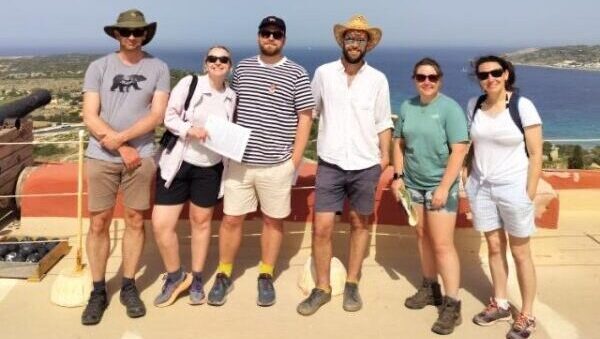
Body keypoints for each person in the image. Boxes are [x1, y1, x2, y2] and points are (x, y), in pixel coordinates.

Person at [207, 16, 314, 307]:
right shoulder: (242, 68)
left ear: (284, 39)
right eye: (266, 33)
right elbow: (231, 105)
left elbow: (305, 118)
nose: (271, 38)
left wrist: (295, 160)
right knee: (230, 219)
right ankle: (224, 273)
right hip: (241, 162)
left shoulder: (296, 73)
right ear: (258, 36)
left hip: (277, 164)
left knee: (273, 221)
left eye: (276, 34)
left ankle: (265, 275)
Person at [296, 14, 393, 316]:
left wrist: (385, 158)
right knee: (323, 227)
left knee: (359, 223)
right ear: (342, 41)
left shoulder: (378, 79)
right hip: (331, 162)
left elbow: (382, 121)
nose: (354, 43)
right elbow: (310, 111)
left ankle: (352, 282)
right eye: (350, 38)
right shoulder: (324, 73)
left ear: (368, 45)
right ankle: (322, 287)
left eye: (360, 39)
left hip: (365, 163)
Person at [81, 9, 170, 325]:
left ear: (145, 34)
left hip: (141, 157)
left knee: (134, 219)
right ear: (116, 34)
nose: (131, 37)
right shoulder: (99, 67)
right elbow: (90, 115)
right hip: (103, 156)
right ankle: (97, 289)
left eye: (137, 32)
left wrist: (126, 144)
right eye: (125, 32)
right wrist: (122, 145)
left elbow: (156, 115)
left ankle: (129, 284)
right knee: (98, 222)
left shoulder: (158, 67)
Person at [151, 46, 236, 307]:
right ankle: (176, 276)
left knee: (201, 223)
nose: (217, 63)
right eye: (213, 58)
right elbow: (169, 116)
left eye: (223, 59)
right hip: (178, 164)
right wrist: (191, 130)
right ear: (205, 62)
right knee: (161, 224)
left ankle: (197, 277)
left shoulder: (232, 96)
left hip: (209, 168)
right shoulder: (190, 83)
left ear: (230, 65)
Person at [465, 55, 542, 339]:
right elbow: (471, 146)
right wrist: (466, 178)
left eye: (496, 72)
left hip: (514, 187)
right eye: (483, 75)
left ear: (507, 74)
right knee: (494, 248)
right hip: (481, 187)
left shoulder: (523, 106)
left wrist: (528, 194)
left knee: (521, 253)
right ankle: (499, 302)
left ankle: (528, 314)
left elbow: (536, 155)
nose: (490, 79)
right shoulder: (473, 105)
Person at [390, 58, 469, 335]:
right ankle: (429, 287)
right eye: (421, 77)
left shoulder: (450, 109)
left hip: (439, 187)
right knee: (422, 236)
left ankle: (452, 304)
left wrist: (444, 188)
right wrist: (398, 177)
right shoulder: (407, 106)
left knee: (443, 245)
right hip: (412, 186)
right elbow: (398, 143)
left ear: (440, 79)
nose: (427, 82)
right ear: (414, 79)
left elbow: (459, 150)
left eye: (432, 77)